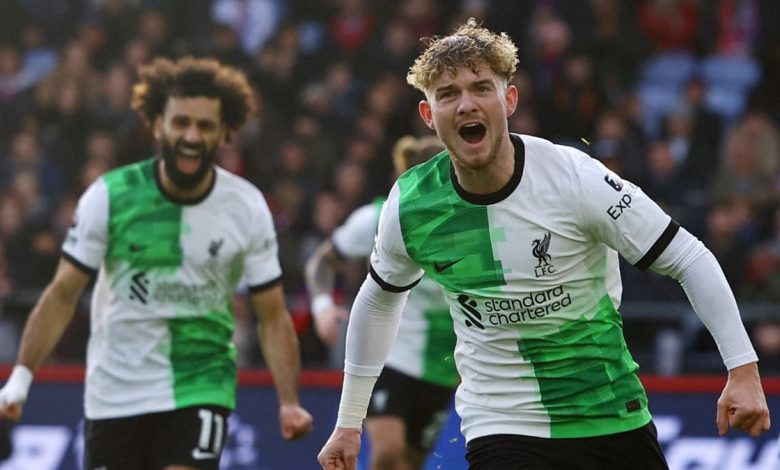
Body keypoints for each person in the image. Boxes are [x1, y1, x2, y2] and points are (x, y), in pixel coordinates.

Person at [318, 18, 770, 470]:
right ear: (428, 115)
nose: (466, 104)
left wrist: (743, 368)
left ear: (509, 100)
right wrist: (348, 422)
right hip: (501, 421)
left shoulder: (574, 178)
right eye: (448, 94)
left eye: (481, 88)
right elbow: (377, 301)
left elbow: (687, 256)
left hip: (607, 411)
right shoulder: (411, 204)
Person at [0, 57, 313, 470]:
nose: (192, 135)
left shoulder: (246, 207)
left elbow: (271, 315)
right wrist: (20, 380)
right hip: (116, 390)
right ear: (157, 124)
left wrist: (289, 401)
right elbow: (62, 295)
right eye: (181, 122)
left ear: (224, 132)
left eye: (205, 126)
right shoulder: (110, 196)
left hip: (200, 382)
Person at [306, 135, 458, 469]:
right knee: (388, 453)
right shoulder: (379, 217)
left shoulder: (470, 225)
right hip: (388, 354)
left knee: (410, 463)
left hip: (441, 366)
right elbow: (322, 263)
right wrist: (322, 307)